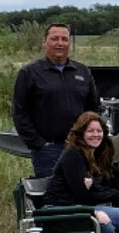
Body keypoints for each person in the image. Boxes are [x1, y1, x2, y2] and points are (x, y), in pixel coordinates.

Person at [12, 22, 101, 178]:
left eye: (64, 39)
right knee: (54, 196)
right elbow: (19, 112)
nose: (60, 43)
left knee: (83, 191)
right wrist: (38, 144)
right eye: (54, 39)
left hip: (80, 147)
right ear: (44, 41)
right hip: (48, 149)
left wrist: (90, 138)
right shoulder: (30, 73)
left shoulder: (82, 71)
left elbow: (94, 108)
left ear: (69, 43)